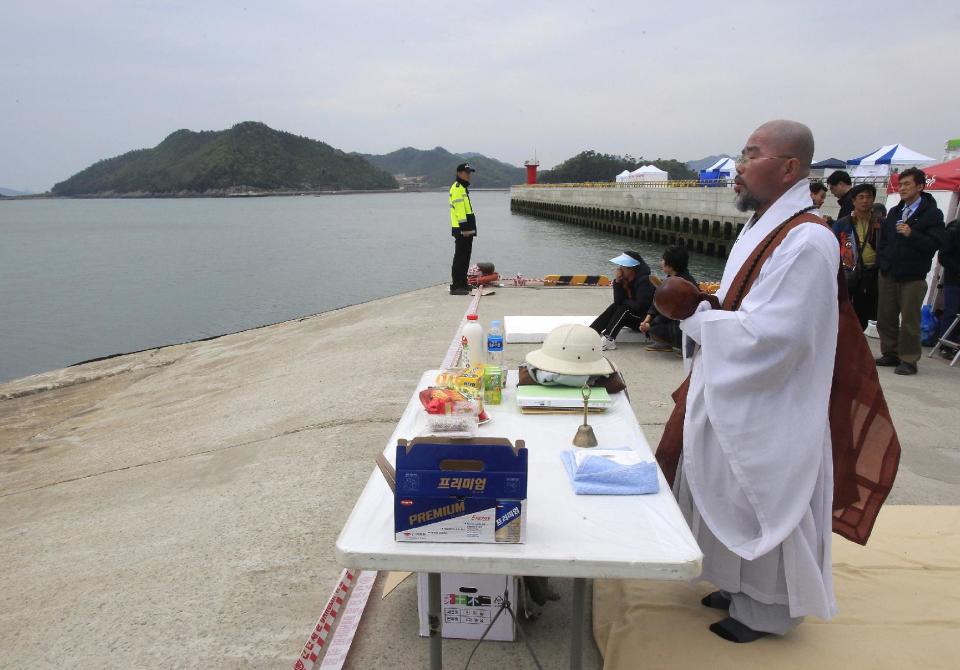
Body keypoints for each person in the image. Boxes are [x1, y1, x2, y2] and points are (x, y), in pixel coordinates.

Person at [663, 120, 839, 642]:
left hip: (772, 393)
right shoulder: (763, 225)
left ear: (790, 167)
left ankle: (769, 609)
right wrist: (705, 311)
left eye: (751, 155)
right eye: (740, 155)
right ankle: (736, 583)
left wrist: (695, 318)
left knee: (762, 492)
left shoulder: (807, 241)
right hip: (736, 383)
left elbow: (775, 335)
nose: (738, 168)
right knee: (721, 484)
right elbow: (743, 306)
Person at [875, 167, 946, 375]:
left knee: (909, 320)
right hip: (889, 272)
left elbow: (936, 242)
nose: (902, 188)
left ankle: (908, 359)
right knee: (885, 317)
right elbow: (885, 240)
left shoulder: (932, 214)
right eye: (901, 184)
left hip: (913, 276)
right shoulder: (896, 211)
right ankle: (890, 352)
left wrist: (912, 234)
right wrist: (883, 261)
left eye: (907, 184)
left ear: (920, 187)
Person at [832, 183, 881, 329]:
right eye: (861, 197)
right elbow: (833, 246)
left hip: (871, 274)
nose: (865, 200)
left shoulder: (880, 224)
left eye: (868, 197)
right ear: (854, 201)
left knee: (863, 315)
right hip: (848, 273)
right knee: (843, 312)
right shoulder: (843, 224)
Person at [590, 251, 654, 351]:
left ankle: (609, 339)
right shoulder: (628, 279)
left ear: (631, 268)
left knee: (625, 309)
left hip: (644, 321)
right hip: (634, 316)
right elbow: (618, 302)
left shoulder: (645, 281)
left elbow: (640, 306)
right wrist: (618, 281)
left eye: (622, 267)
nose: (619, 269)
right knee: (615, 307)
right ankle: (592, 331)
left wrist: (624, 302)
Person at [640, 245, 697, 352]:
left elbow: (673, 311)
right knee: (652, 322)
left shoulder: (682, 284)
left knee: (654, 327)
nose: (661, 262)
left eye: (663, 259)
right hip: (677, 321)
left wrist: (650, 325)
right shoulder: (672, 278)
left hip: (685, 325)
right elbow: (657, 302)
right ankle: (666, 343)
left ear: (671, 264)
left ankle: (682, 347)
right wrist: (647, 319)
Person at [448, 163, 477, 295]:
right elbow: (459, 211)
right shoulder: (457, 188)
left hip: (467, 229)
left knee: (466, 256)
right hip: (461, 229)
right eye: (466, 172)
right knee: (459, 257)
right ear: (459, 173)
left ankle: (463, 283)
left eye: (469, 172)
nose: (468, 175)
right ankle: (456, 286)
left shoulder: (463, 188)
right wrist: (465, 229)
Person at [935, 218, 959, 357]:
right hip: (954, 280)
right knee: (951, 311)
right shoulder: (954, 230)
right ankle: (945, 345)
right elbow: (943, 256)